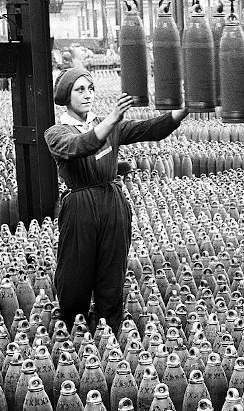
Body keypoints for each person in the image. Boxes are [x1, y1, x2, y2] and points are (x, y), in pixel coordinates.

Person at [44, 68, 189, 334]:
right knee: (75, 272)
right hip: (79, 206)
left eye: (90, 88)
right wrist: (111, 120)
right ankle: (72, 331)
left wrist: (182, 111)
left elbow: (148, 129)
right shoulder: (56, 133)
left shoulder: (108, 125)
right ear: (66, 96)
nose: (88, 95)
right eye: (80, 89)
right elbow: (80, 146)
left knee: (112, 271)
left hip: (113, 202)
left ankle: (107, 329)